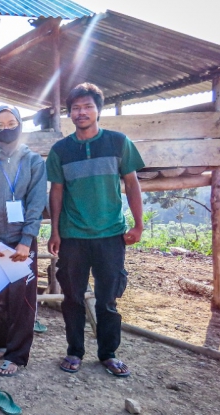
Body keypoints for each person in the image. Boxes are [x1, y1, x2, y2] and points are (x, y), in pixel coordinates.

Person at [46, 83, 144, 378]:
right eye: (76, 108)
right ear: (69, 113)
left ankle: (108, 353)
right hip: (73, 235)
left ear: (98, 109)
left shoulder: (118, 142)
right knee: (72, 297)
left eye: (87, 106)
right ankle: (74, 351)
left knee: (108, 299)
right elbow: (57, 192)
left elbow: (132, 184)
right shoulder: (60, 150)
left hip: (110, 234)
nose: (81, 112)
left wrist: (139, 224)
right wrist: (55, 231)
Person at [0, 106, 47, 377]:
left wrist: (27, 240)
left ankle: (17, 354)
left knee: (22, 300)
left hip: (21, 243)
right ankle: (2, 344)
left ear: (20, 125)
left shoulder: (34, 161)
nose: (6, 128)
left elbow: (37, 203)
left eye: (11, 122)